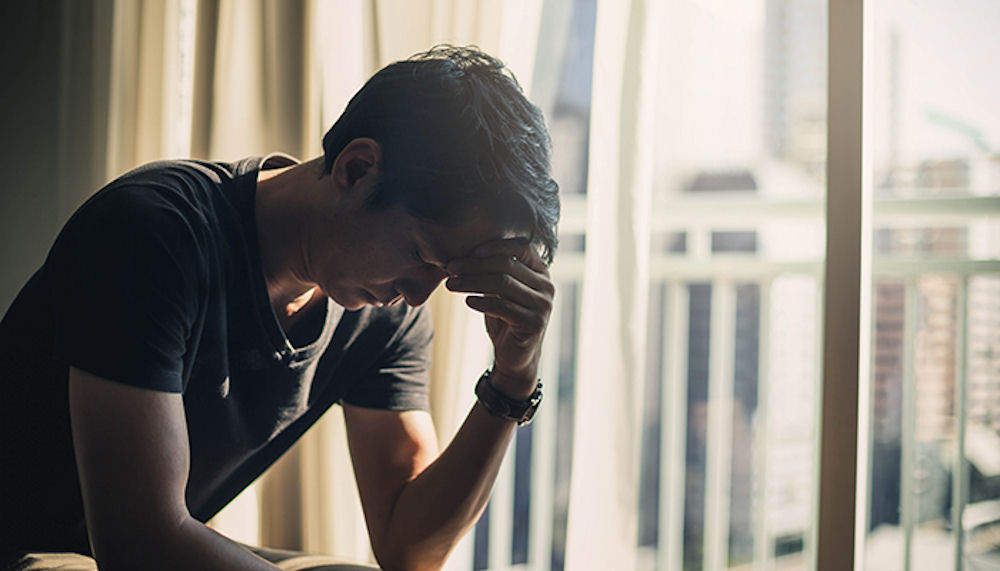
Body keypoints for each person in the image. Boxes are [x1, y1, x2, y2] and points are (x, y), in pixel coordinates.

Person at [0, 45, 559, 571]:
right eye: (420, 254)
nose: (418, 295)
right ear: (357, 169)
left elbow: (409, 548)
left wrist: (513, 377)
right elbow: (137, 542)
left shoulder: (387, 309)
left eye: (447, 274)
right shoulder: (153, 232)